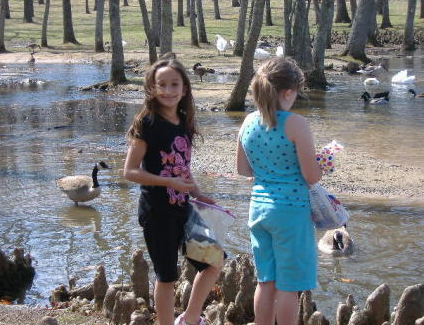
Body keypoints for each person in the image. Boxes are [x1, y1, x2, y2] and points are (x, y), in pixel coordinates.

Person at [123, 58, 221, 325]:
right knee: (167, 277)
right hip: (157, 212)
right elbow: (129, 172)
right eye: (162, 85)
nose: (168, 90)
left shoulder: (184, 122)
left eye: (174, 84)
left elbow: (182, 167)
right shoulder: (148, 123)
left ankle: (190, 319)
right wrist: (170, 184)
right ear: (152, 89)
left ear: (185, 89)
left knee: (214, 263)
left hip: (183, 208)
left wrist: (198, 194)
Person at [236, 57, 322, 325]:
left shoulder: (248, 121)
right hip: (290, 213)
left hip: (259, 210)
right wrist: (324, 164)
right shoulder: (296, 123)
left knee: (266, 281)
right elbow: (311, 176)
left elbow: (242, 169)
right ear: (288, 92)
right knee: (289, 285)